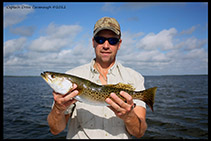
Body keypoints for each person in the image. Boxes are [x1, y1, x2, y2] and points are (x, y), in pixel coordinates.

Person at [47, 17, 147, 139]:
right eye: (100, 40)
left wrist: (129, 116)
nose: (106, 45)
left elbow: (139, 133)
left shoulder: (135, 78)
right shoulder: (73, 74)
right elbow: (55, 130)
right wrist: (58, 109)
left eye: (112, 40)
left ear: (119, 44)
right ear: (93, 42)